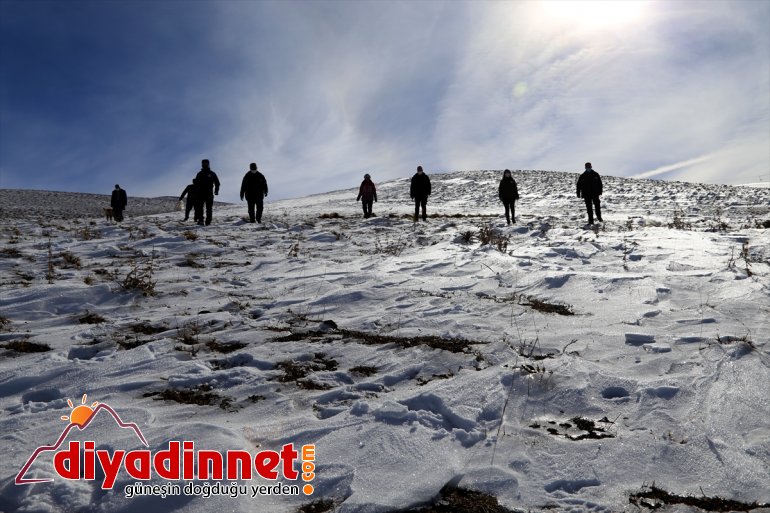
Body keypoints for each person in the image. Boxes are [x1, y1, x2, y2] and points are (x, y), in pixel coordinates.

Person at [195, 159, 220, 226]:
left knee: (209, 208)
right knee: (200, 207)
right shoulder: (199, 174)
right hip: (200, 193)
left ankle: (208, 222)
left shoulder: (212, 173)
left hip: (209, 193)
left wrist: (216, 190)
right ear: (201, 164)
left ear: (208, 164)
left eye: (206, 163)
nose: (204, 164)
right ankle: (201, 220)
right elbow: (196, 184)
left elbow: (217, 183)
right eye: (203, 163)